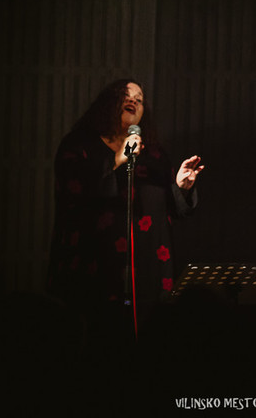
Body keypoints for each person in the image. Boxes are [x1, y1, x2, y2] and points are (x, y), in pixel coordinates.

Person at [46, 78, 205, 345]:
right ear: (108, 103)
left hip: (149, 269)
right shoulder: (80, 146)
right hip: (97, 266)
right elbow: (74, 194)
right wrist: (116, 160)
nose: (133, 101)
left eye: (139, 99)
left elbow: (170, 209)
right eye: (125, 96)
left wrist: (181, 187)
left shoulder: (154, 154)